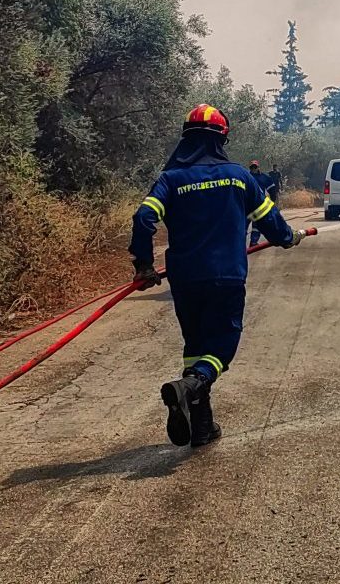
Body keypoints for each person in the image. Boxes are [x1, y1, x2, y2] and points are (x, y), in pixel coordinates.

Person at [130, 104, 306, 448]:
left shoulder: (171, 179)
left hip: (185, 280)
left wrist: (144, 265)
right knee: (221, 347)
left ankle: (202, 427)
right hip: (226, 276)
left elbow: (143, 218)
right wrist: (288, 238)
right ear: (221, 139)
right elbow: (271, 222)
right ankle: (191, 385)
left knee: (195, 346)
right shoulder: (239, 176)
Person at [248, 160, 278, 246]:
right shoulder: (246, 176)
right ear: (250, 168)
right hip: (246, 205)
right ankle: (240, 245)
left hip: (258, 205)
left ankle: (253, 242)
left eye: (255, 167)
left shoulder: (264, 177)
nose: (253, 169)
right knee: (243, 225)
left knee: (257, 225)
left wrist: (272, 201)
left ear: (258, 167)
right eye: (252, 167)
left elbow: (272, 190)